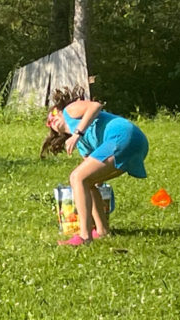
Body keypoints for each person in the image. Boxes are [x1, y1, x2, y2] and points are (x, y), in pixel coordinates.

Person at [47, 87, 149, 246]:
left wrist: (77, 134)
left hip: (123, 135)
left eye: (53, 114)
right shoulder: (82, 145)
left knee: (76, 177)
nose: (52, 119)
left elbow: (95, 106)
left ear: (60, 110)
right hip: (137, 143)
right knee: (87, 181)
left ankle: (84, 237)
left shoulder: (70, 110)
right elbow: (91, 178)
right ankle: (102, 231)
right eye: (49, 122)